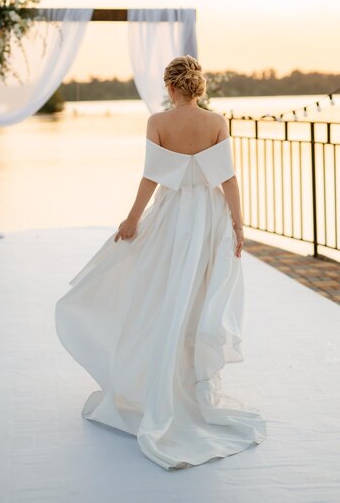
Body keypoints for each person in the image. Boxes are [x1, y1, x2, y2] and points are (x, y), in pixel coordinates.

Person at [54, 55, 267, 471]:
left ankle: (161, 381)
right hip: (208, 218)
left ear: (170, 87)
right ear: (198, 87)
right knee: (197, 295)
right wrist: (238, 225)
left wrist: (132, 219)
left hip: (173, 217)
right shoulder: (217, 121)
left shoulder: (157, 122)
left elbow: (151, 177)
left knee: (163, 291)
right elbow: (228, 179)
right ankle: (190, 381)